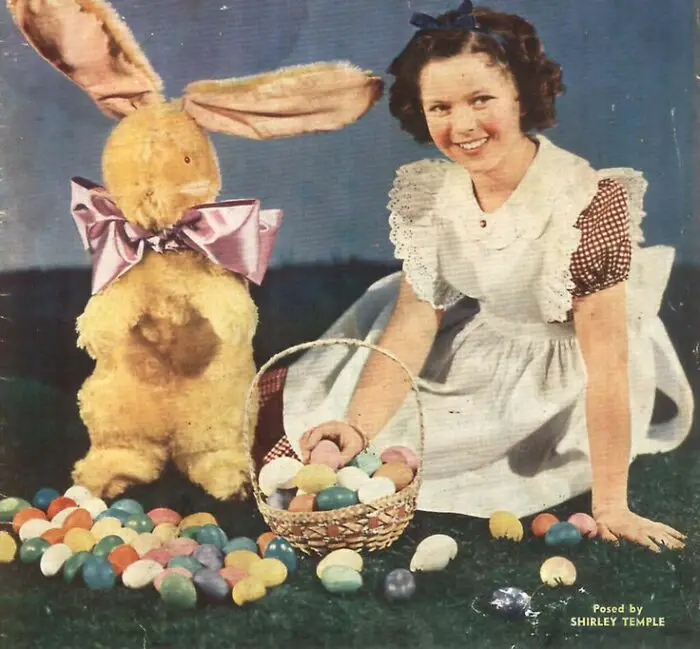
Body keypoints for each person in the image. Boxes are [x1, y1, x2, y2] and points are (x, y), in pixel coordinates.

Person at [253, 1, 694, 552]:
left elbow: (608, 366)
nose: (462, 125)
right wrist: (358, 427)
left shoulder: (584, 203)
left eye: (481, 99)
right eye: (440, 106)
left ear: (522, 95)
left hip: (564, 377)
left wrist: (611, 506)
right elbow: (413, 323)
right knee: (320, 425)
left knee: (428, 461)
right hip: (482, 344)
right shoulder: (434, 194)